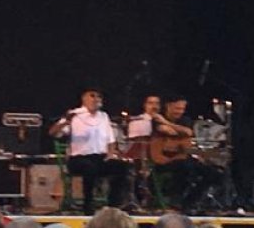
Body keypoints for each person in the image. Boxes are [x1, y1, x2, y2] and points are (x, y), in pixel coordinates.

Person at [48, 87, 132, 215]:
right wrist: (66, 121)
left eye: (99, 96)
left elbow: (110, 140)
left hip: (100, 157)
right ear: (84, 98)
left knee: (122, 167)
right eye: (92, 96)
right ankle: (88, 205)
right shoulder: (74, 115)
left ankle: (113, 205)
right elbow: (53, 133)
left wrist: (111, 154)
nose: (96, 99)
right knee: (89, 167)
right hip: (78, 159)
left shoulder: (104, 116)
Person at [152, 94, 222, 211]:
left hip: (183, 158)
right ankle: (176, 201)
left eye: (182, 109)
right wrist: (176, 130)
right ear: (168, 106)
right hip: (163, 159)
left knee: (214, 174)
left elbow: (188, 132)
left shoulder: (185, 120)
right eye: (177, 108)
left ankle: (191, 201)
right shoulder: (157, 118)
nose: (180, 111)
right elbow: (165, 130)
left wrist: (167, 123)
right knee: (185, 167)